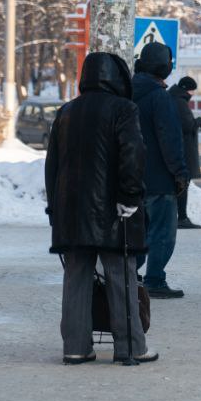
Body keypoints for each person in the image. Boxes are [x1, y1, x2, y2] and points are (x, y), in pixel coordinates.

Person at [46, 52, 156, 364]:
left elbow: (52, 162)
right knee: (121, 276)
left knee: (76, 278)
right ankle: (130, 347)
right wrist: (130, 197)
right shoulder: (124, 109)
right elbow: (133, 154)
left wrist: (54, 205)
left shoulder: (66, 111)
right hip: (113, 211)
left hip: (71, 211)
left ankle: (76, 347)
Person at [132, 42, 190, 299]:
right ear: (164, 67)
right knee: (162, 233)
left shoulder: (127, 92)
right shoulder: (159, 97)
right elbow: (170, 139)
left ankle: (128, 275)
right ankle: (154, 280)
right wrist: (180, 173)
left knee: (137, 232)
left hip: (131, 177)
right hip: (159, 178)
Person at [170, 76, 201, 230]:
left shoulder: (173, 97)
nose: (193, 93)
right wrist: (199, 120)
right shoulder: (180, 101)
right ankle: (182, 217)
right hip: (183, 149)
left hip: (177, 147)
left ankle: (178, 217)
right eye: (192, 90)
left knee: (179, 184)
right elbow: (188, 125)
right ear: (187, 89)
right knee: (182, 184)